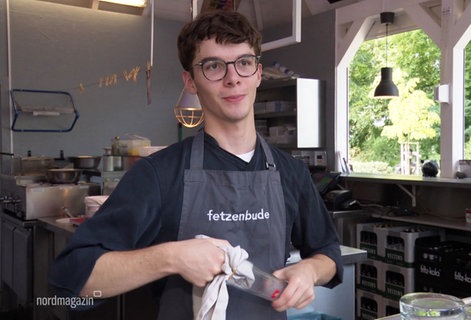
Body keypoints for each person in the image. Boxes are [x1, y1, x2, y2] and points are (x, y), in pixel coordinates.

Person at [49, 9, 342, 320]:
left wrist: (310, 270)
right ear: (190, 81)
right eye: (213, 66)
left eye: (244, 63)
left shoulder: (291, 172)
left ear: (257, 73)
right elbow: (72, 278)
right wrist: (171, 257)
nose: (233, 78)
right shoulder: (159, 174)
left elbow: (329, 254)